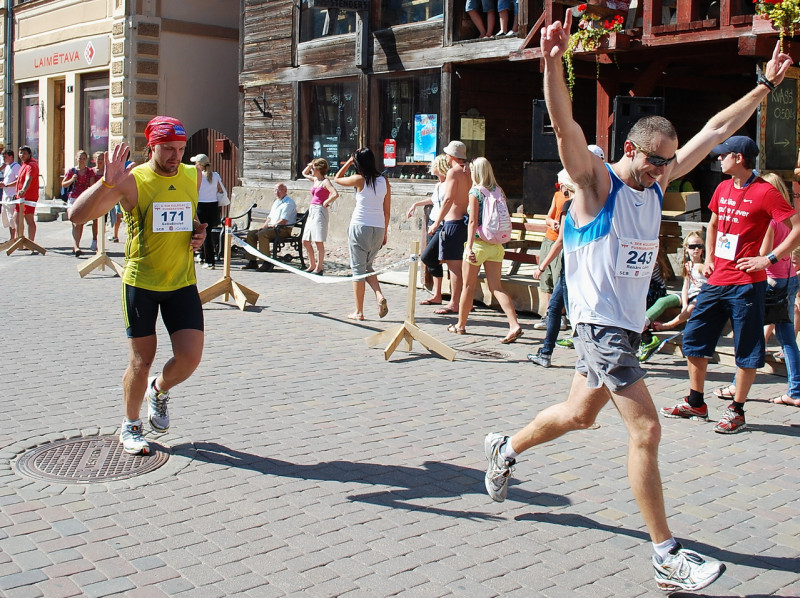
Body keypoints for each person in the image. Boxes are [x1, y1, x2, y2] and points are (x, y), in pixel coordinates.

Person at [484, 17, 791, 593]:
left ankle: (505, 447)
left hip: (624, 327)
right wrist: (552, 62)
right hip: (599, 325)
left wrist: (766, 87)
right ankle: (665, 554)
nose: (662, 172)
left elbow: (718, 126)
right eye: (654, 162)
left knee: (579, 414)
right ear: (630, 149)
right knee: (646, 429)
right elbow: (564, 127)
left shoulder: (657, 178)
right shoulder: (597, 184)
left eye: (668, 162)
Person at [67, 116, 206, 455]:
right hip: (141, 283)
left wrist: (198, 232)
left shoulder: (193, 175)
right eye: (167, 150)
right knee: (141, 361)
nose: (175, 157)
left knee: (189, 358)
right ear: (151, 147)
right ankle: (130, 426)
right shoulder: (133, 180)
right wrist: (105, 183)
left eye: (180, 149)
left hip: (182, 281)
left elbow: (189, 217)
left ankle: (158, 391)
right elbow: (77, 216)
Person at [661, 135, 800, 434]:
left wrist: (768, 259)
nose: (718, 159)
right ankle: (695, 401)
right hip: (716, 280)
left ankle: (737, 410)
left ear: (738, 158)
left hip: (747, 284)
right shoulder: (723, 187)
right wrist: (709, 256)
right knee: (695, 339)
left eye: (722, 155)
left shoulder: (765, 192)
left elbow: (796, 228)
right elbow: (712, 224)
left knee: (747, 348)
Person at [712, 173, 800, 408]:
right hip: (788, 278)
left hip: (770, 281)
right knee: (785, 337)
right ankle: (796, 389)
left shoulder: (770, 220)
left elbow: (763, 252)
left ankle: (736, 386)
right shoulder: (786, 218)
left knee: (749, 335)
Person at [448, 157, 523, 343]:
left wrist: (470, 247)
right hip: (496, 245)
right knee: (497, 287)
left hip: (479, 244)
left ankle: (461, 325)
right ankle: (514, 324)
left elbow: (472, 222)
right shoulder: (499, 191)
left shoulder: (475, 192)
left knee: (468, 286)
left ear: (476, 172)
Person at [333, 147, 391, 320]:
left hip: (360, 226)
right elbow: (386, 211)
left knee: (358, 270)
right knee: (368, 266)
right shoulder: (384, 181)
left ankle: (359, 311)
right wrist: (385, 232)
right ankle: (379, 295)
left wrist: (349, 162)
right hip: (378, 228)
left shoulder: (359, 179)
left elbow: (337, 179)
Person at [528, 169, 575, 367]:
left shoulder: (569, 205)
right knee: (556, 307)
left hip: (572, 265)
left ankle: (587, 354)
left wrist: (542, 265)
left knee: (570, 311)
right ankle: (546, 353)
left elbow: (561, 241)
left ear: (565, 186)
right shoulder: (590, 203)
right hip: (579, 263)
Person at [428, 141, 471, 316]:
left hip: (453, 221)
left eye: (447, 154)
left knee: (454, 266)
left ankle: (454, 303)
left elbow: (448, 199)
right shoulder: (469, 170)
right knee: (460, 265)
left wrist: (437, 222)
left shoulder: (454, 171)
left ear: (452, 156)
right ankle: (461, 300)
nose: (446, 157)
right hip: (466, 220)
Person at [409, 154, 450, 305]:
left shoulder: (449, 184)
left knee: (429, 256)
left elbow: (448, 202)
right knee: (434, 258)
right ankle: (437, 294)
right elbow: (434, 200)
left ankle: (444, 294)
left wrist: (438, 222)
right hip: (433, 221)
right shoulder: (438, 185)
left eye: (433, 165)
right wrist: (416, 204)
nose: (430, 168)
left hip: (443, 224)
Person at [650, 231, 707, 332]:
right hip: (688, 294)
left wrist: (686, 307)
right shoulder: (687, 265)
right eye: (692, 246)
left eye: (699, 246)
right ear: (686, 248)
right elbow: (685, 286)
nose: (696, 249)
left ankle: (669, 325)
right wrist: (684, 304)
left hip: (700, 295)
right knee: (663, 301)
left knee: (691, 307)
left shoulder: (705, 265)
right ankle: (645, 322)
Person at [241, 183, 297, 272]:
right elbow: (269, 218)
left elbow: (283, 220)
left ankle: (267, 262)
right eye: (275, 190)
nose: (276, 192)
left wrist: (270, 227)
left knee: (262, 234)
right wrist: (264, 227)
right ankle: (252, 261)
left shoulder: (289, 203)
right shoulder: (276, 202)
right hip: (272, 228)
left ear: (285, 191)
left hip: (283, 229)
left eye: (279, 190)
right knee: (251, 234)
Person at [301, 158, 339, 275]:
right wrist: (309, 165)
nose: (311, 170)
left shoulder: (325, 181)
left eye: (313, 168)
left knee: (318, 241)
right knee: (305, 241)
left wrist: (326, 202)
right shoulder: (315, 180)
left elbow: (335, 194)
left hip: (319, 211)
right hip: (312, 210)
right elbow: (304, 173)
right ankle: (312, 264)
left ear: (318, 169)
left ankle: (319, 267)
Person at [191, 154, 227, 270]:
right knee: (208, 232)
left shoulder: (197, 176)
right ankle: (202, 255)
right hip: (213, 206)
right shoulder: (215, 175)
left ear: (199, 165)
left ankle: (209, 261)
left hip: (201, 206)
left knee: (204, 233)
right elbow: (221, 189)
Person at [62, 150, 99, 256]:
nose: (81, 160)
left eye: (83, 158)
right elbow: (64, 184)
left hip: (83, 198)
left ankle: (76, 246)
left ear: (86, 159)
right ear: (76, 158)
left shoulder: (89, 171)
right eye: (79, 158)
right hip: (73, 198)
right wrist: (72, 180)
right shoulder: (72, 170)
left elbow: (92, 186)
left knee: (80, 223)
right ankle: (76, 246)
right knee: (74, 221)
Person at [14, 146, 40, 242]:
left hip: (28, 197)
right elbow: (19, 180)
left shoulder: (31, 165)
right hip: (20, 197)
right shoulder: (24, 164)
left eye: (24, 153)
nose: (22, 155)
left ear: (29, 154)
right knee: (16, 218)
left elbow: (29, 179)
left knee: (29, 219)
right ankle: (19, 240)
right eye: (20, 153)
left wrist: (23, 190)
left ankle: (30, 242)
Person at [0, 148, 20, 241]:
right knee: (7, 217)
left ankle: (15, 237)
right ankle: (12, 237)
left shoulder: (16, 166)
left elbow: (18, 181)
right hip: (5, 195)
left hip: (12, 195)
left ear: (11, 156)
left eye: (5, 157)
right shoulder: (7, 166)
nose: (4, 159)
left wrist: (6, 185)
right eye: (3, 157)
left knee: (12, 217)